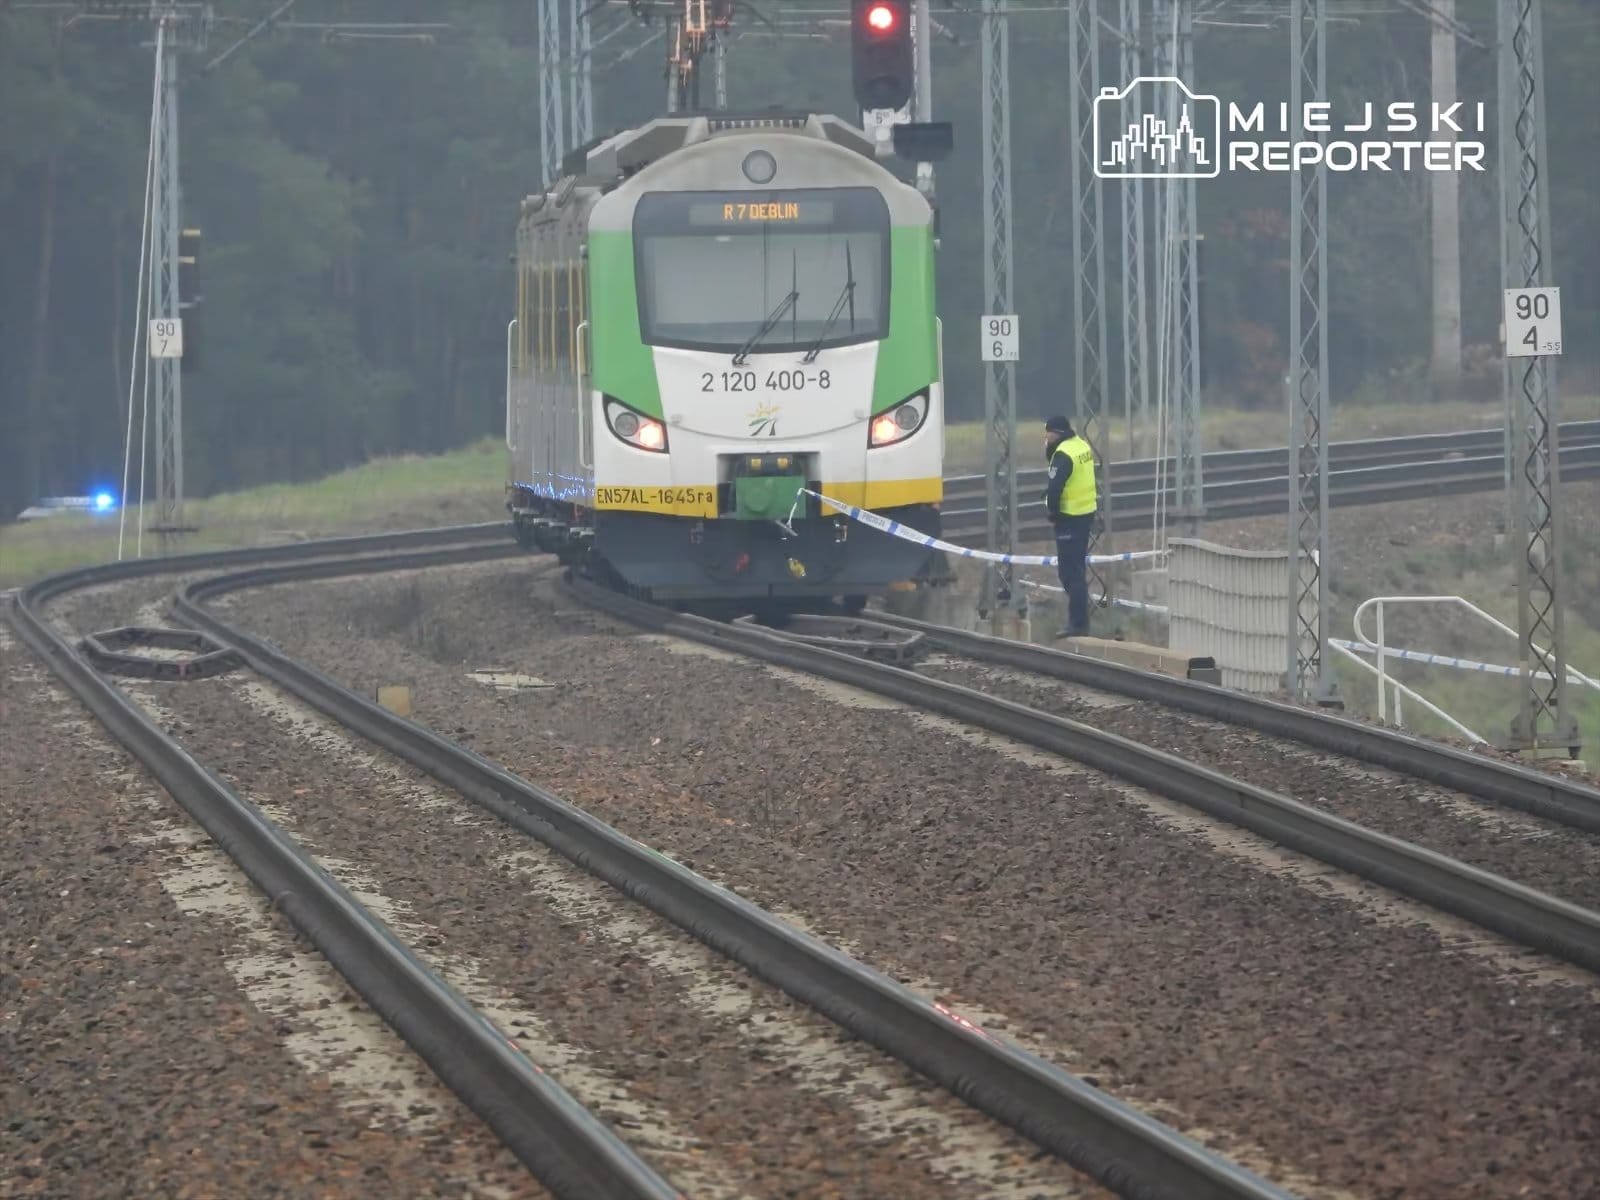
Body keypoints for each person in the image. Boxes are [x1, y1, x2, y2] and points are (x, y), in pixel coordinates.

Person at [1042, 415, 1097, 638]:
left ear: (1055, 433)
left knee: (1069, 573)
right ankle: (1080, 621)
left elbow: (1054, 488)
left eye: (1047, 434)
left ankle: (1078, 624)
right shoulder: (1081, 445)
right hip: (1086, 514)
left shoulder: (1062, 454)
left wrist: (1052, 513)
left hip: (1069, 518)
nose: (1045, 439)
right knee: (1078, 570)